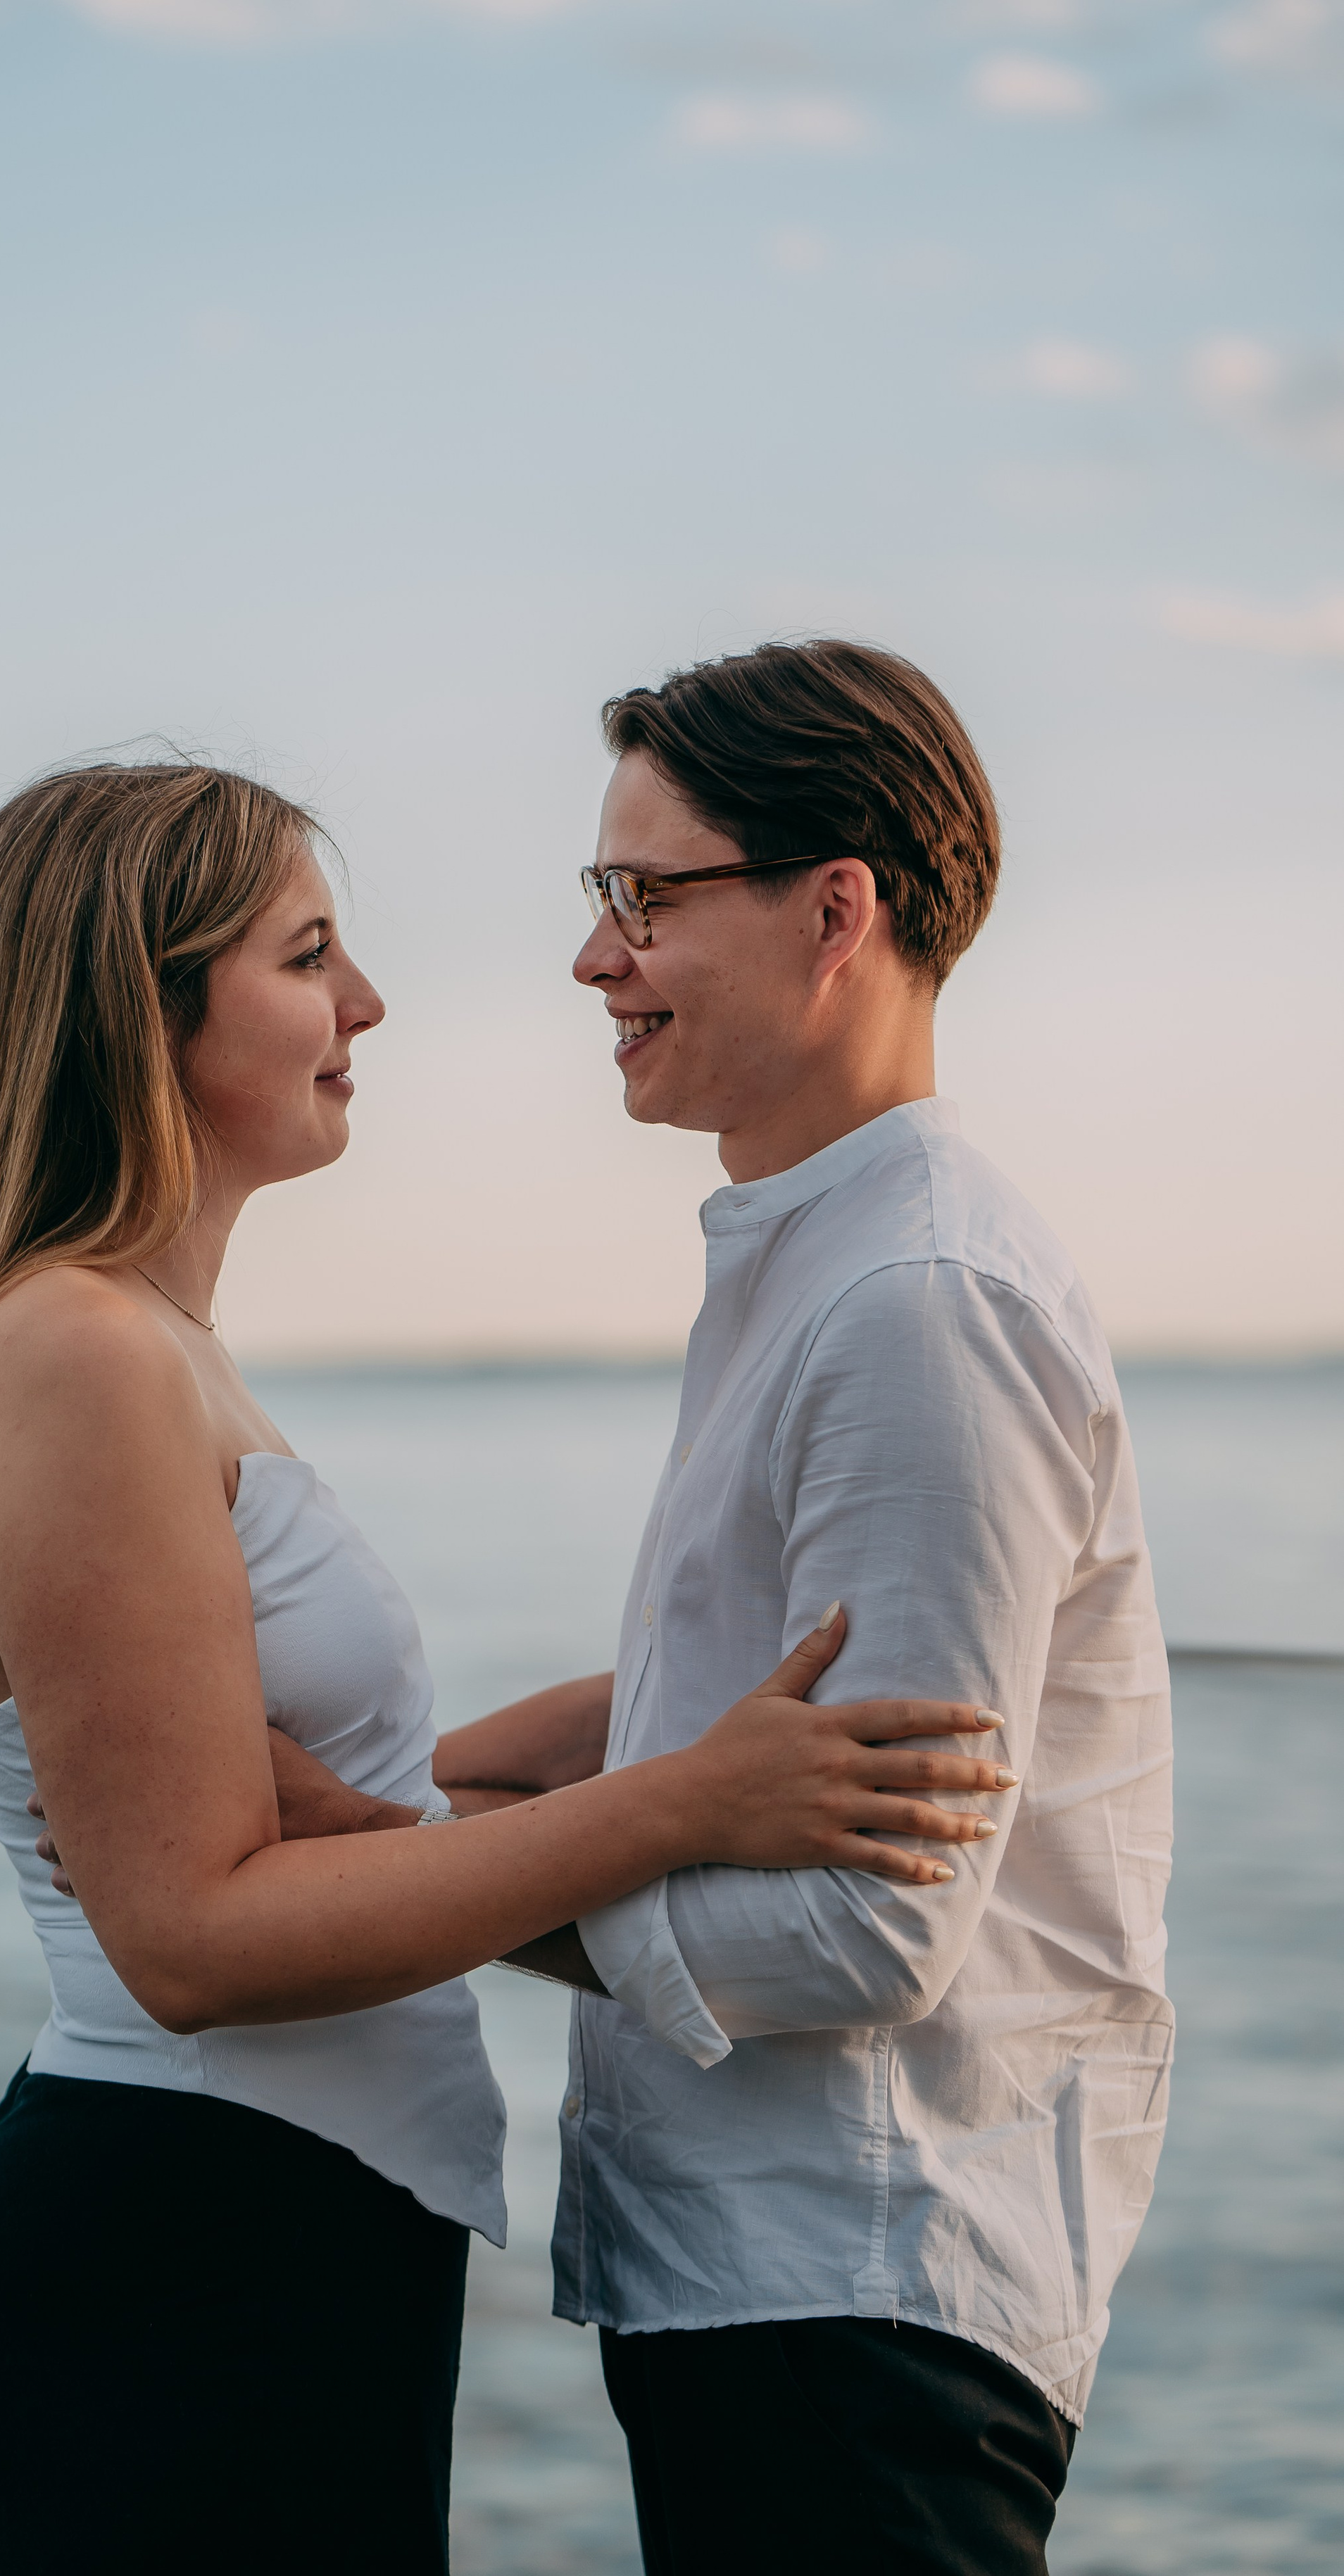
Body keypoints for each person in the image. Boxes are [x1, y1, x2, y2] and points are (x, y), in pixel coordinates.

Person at [0, 760, 1012, 2574]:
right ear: (144, 1005)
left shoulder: (148, 1342)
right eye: (309, 955)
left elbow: (262, 1809)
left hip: (275, 2233)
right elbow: (191, 1942)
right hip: (182, 2247)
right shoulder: (76, 1352)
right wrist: (678, 1802)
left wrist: (565, 1747)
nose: (370, 1003)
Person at [441, 641, 1174, 2573]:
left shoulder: (921, 1300)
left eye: (643, 897)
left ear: (834, 913)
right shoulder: (826, 1261)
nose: (593, 957)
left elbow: (870, 1923)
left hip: (863, 2302)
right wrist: (424, 1789)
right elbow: (732, 1702)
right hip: (783, 2288)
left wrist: (449, 1881)